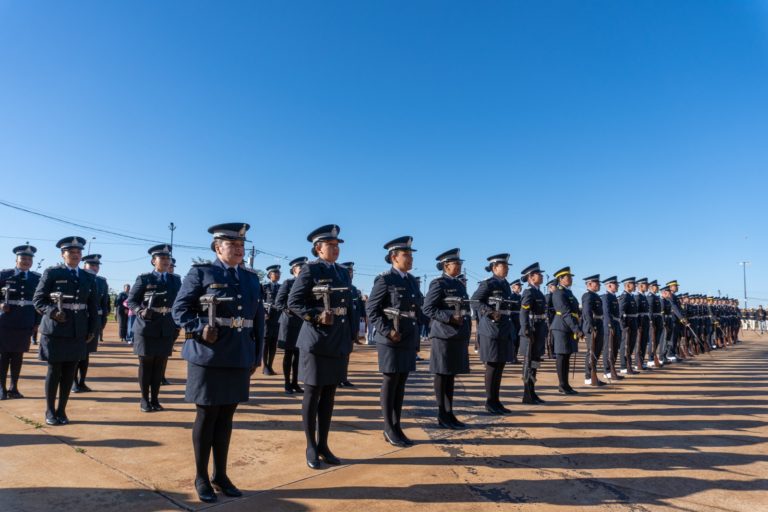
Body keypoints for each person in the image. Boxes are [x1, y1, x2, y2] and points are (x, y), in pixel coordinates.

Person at [172, 223, 264, 503]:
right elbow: (179, 310)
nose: (239, 249)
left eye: (241, 245)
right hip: (208, 355)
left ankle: (220, 475)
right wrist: (198, 328)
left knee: (226, 417)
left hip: (238, 354)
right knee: (206, 415)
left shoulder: (250, 277)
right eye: (233, 245)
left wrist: (256, 354)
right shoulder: (201, 272)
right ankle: (201, 476)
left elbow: (257, 319)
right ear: (217, 247)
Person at [288, 224, 354, 469]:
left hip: (336, 339)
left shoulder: (342, 272)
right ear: (318, 248)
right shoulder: (310, 270)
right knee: (313, 393)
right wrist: (316, 315)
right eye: (331, 245)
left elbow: (349, 308)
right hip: (315, 341)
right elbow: (294, 302)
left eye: (337, 246)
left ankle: (324, 444)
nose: (335, 249)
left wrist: (349, 337)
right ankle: (311, 445)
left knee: (329, 395)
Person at [33, 236, 99, 425]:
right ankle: (50, 411)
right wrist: (53, 312)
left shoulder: (88, 277)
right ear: (63, 254)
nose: (75, 255)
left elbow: (92, 306)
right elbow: (38, 300)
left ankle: (62, 410)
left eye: (78, 252)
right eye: (71, 252)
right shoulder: (52, 273)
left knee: (70, 372)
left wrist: (92, 329)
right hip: (55, 329)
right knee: (54, 371)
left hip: (78, 330)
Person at [366, 236, 425, 447]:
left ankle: (397, 425)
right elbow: (372, 310)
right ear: (394, 257)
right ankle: (388, 427)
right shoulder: (384, 280)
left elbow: (417, 309)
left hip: (407, 337)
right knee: (390, 382)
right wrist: (387, 331)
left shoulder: (410, 280)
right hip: (391, 339)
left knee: (401, 384)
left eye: (411, 255)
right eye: (406, 255)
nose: (410, 259)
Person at [127, 244, 181, 412]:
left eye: (168, 258)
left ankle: (155, 399)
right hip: (147, 326)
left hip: (167, 326)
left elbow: (180, 302)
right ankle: (144, 399)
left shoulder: (176, 279)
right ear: (153, 261)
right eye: (162, 258)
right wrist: (140, 311)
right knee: (146, 363)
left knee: (160, 364)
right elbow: (131, 300)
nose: (166, 261)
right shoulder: (144, 279)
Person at [422, 248, 471, 429]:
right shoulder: (438, 284)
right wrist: (449, 318)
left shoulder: (459, 284)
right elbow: (428, 308)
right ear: (445, 265)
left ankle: (450, 413)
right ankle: (442, 414)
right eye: (456, 263)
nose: (459, 266)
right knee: (442, 376)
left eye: (460, 263)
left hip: (457, 335)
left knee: (451, 376)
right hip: (443, 335)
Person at [471, 253, 514, 414]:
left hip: (503, 329)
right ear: (495, 268)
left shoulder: (506, 284)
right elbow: (475, 301)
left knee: (500, 366)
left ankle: (496, 400)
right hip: (491, 330)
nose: (507, 269)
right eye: (504, 266)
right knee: (492, 366)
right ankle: (490, 401)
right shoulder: (488, 284)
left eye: (508, 266)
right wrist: (489, 312)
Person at [0, 245, 41, 400]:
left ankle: (14, 387)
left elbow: (39, 301)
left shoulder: (37, 278)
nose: (26, 261)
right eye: (23, 258)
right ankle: (1, 388)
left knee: (18, 356)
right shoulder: (4, 275)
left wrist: (37, 322)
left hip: (25, 321)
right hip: (5, 320)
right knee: (3, 356)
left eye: (29, 259)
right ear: (16, 259)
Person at [72, 254, 110, 393]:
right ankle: (74, 382)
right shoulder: (78, 277)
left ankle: (82, 382)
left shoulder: (101, 281)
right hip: (79, 320)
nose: (95, 268)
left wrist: (103, 320)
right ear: (84, 266)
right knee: (76, 353)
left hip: (93, 321)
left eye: (97, 265)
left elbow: (105, 303)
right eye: (92, 265)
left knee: (86, 354)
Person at [276, 257, 308, 394]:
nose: (302, 272)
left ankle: (295, 383)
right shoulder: (288, 283)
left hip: (302, 323)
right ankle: (287, 383)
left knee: (299, 355)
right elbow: (279, 303)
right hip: (288, 323)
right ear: (294, 270)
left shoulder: (308, 284)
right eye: (300, 269)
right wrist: (291, 310)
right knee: (288, 355)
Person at [550, 266, 583, 394]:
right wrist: (576, 329)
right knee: (561, 357)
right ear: (561, 279)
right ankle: (562, 385)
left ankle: (566, 384)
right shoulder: (558, 293)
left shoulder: (568, 292)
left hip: (568, 327)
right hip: (561, 327)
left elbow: (575, 311)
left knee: (567, 356)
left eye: (570, 277)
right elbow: (565, 313)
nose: (570, 279)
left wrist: (577, 327)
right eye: (568, 277)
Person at [519, 262, 548, 404]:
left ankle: (532, 391)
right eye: (539, 274)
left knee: (535, 362)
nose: (541, 276)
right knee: (528, 363)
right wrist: (525, 329)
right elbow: (524, 312)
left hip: (539, 330)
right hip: (531, 331)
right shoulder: (528, 292)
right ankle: (527, 393)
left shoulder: (539, 292)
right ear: (531, 277)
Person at [339, 261, 364, 387]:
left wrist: (356, 328)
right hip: (339, 325)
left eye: (352, 271)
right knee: (337, 354)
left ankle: (343, 377)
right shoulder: (338, 286)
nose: (350, 273)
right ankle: (336, 378)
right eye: (348, 271)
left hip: (351, 325)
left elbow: (357, 308)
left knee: (347, 353)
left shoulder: (354, 289)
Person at [581, 274, 605, 386]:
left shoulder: (596, 296)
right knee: (591, 352)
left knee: (597, 351)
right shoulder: (587, 296)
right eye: (597, 283)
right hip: (593, 327)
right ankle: (588, 376)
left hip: (599, 324)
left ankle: (593, 375)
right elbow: (586, 313)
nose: (599, 285)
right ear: (589, 284)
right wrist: (591, 327)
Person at [601, 276, 622, 381]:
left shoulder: (613, 296)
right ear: (609, 285)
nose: (618, 286)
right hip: (610, 325)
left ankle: (612, 368)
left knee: (614, 347)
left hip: (616, 323)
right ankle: (607, 370)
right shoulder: (606, 297)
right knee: (608, 348)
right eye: (616, 284)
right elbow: (606, 312)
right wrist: (610, 325)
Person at [262, 265, 281, 375]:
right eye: (275, 273)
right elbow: (260, 302)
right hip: (267, 317)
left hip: (277, 318)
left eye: (279, 274)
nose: (277, 275)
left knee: (274, 343)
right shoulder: (264, 287)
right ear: (269, 275)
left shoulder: (282, 287)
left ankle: (271, 366)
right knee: (266, 342)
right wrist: (264, 313)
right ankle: (265, 367)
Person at [618, 277, 639, 375]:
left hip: (633, 323)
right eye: (633, 284)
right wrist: (623, 326)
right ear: (628, 285)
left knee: (631, 345)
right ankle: (623, 366)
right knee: (625, 345)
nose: (635, 286)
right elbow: (621, 313)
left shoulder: (630, 296)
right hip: (628, 324)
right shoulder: (624, 296)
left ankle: (628, 364)